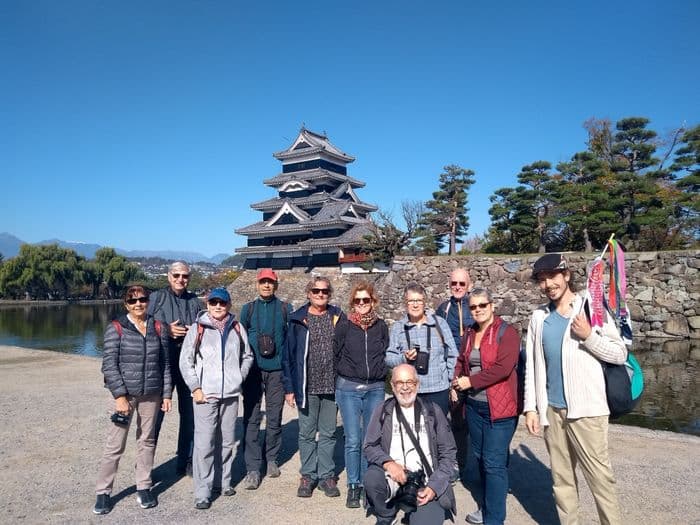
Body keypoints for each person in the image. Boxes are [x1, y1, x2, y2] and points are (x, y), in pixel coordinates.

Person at [524, 254, 627, 525]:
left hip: (588, 412)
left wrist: (589, 336)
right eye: (542, 280)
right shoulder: (539, 317)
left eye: (553, 276)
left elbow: (619, 354)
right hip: (553, 412)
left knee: (601, 481)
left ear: (567, 275)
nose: (548, 284)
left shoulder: (591, 306)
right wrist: (531, 408)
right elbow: (533, 366)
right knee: (562, 481)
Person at [93, 286, 172, 515]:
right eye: (133, 300)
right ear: (126, 304)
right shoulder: (116, 327)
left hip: (152, 394)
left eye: (142, 299)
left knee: (147, 441)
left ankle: (144, 486)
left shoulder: (158, 327)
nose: (138, 304)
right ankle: (103, 491)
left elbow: (165, 364)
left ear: (148, 301)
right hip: (125, 395)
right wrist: (119, 396)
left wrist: (166, 394)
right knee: (115, 445)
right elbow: (108, 364)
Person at [179, 287, 254, 509]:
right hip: (205, 394)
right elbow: (186, 361)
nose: (218, 307)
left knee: (228, 441)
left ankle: (223, 481)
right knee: (204, 443)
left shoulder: (237, 327)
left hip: (230, 394)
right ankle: (202, 491)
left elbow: (247, 355)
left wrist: (238, 377)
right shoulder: (198, 328)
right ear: (207, 304)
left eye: (222, 303)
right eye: (213, 303)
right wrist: (195, 387)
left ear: (229, 305)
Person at [450, 288, 520, 525]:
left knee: (494, 464)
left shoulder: (507, 333)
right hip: (474, 407)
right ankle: (486, 508)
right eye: (473, 307)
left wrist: (471, 381)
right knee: (479, 460)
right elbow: (461, 361)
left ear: (492, 306)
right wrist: (455, 383)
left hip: (499, 410)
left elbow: (503, 368)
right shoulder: (470, 332)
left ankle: (495, 519)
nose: (478, 310)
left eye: (482, 305)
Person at [363, 364, 457, 525]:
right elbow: (369, 446)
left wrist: (434, 487)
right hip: (392, 477)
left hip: (424, 481)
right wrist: (388, 463)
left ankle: (415, 510)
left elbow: (448, 453)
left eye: (410, 382)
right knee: (371, 479)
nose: (405, 388)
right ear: (392, 386)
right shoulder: (383, 410)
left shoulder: (433, 411)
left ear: (417, 384)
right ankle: (386, 514)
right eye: (399, 382)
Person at [282, 276, 344, 499]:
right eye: (316, 291)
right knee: (307, 434)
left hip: (332, 385)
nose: (320, 295)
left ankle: (327, 475)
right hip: (306, 386)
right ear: (308, 293)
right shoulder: (298, 320)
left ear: (330, 294)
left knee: (328, 433)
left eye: (325, 292)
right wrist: (289, 388)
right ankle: (308, 475)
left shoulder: (337, 317)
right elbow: (288, 357)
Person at [334, 281, 389, 508]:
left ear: (372, 301)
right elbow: (335, 352)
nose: (362, 304)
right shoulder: (345, 324)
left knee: (370, 439)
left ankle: (369, 485)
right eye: (358, 300)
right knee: (353, 439)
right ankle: (353, 485)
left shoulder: (381, 325)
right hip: (349, 388)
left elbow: (386, 350)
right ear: (352, 303)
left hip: (375, 387)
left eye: (366, 300)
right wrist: (345, 374)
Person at [149, 261, 203, 476]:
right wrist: (165, 330)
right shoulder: (157, 298)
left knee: (190, 416)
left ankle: (186, 460)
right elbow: (141, 323)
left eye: (185, 276)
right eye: (177, 275)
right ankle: (145, 466)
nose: (181, 279)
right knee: (156, 416)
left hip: (189, 364)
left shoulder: (194, 302)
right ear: (168, 276)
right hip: (164, 363)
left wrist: (195, 332)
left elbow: (205, 327)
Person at [239, 268, 290, 489]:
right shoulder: (247, 310)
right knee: (251, 417)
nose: (267, 286)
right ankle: (252, 466)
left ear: (276, 285)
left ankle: (271, 458)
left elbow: (290, 341)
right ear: (257, 285)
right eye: (263, 282)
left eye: (270, 282)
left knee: (275, 415)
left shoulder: (285, 309)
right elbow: (239, 341)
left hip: (277, 371)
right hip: (252, 371)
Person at [386, 282, 458, 415]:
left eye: (419, 300)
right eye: (411, 301)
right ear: (405, 303)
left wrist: (450, 381)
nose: (415, 304)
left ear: (425, 302)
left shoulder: (439, 323)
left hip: (438, 391)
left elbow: (453, 354)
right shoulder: (399, 327)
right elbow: (389, 359)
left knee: (438, 432)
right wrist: (404, 358)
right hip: (409, 392)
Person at [435, 267, 475, 480]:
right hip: (451, 370)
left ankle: (475, 464)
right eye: (454, 284)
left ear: (469, 285)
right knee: (453, 420)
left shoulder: (476, 306)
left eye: (462, 284)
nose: (458, 287)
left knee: (475, 421)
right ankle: (456, 464)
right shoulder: (443, 309)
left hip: (474, 369)